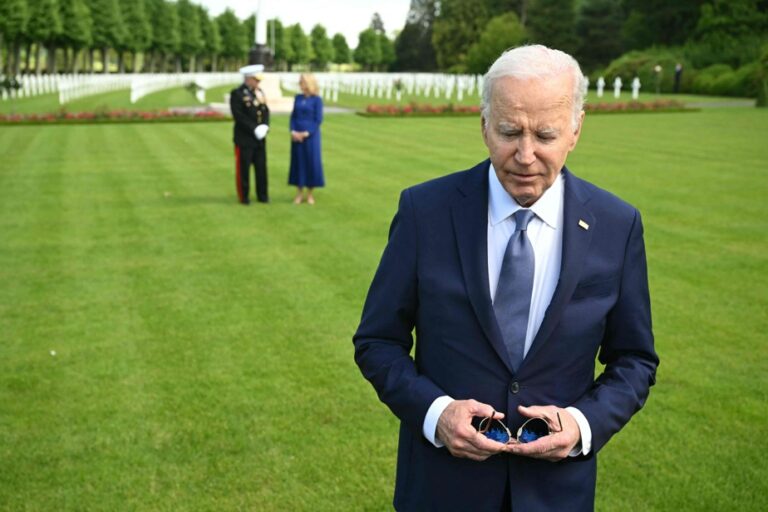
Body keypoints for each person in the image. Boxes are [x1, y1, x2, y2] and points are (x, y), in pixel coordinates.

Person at [353, 45, 658, 511]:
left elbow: (634, 359)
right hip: (441, 490)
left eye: (546, 134)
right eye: (509, 131)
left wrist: (582, 424)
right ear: (483, 125)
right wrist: (436, 414)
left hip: (557, 494)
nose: (525, 154)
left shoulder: (617, 226)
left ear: (576, 130)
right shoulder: (424, 212)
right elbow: (377, 341)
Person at [230, 65, 270, 205]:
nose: (258, 83)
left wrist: (265, 126)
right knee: (244, 169)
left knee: (261, 168)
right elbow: (239, 116)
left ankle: (263, 195)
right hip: (245, 138)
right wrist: (254, 128)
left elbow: (265, 111)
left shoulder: (259, 93)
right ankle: (244, 196)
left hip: (259, 139)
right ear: (248, 79)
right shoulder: (237, 94)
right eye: (256, 80)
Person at [288, 73, 324, 205]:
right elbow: (293, 116)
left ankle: (309, 194)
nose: (300, 84)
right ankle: (299, 193)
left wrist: (306, 133)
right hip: (296, 136)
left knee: (311, 163)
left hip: (310, 137)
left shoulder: (317, 100)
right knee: (298, 163)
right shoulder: (297, 98)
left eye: (302, 82)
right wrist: (293, 131)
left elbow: (318, 119)